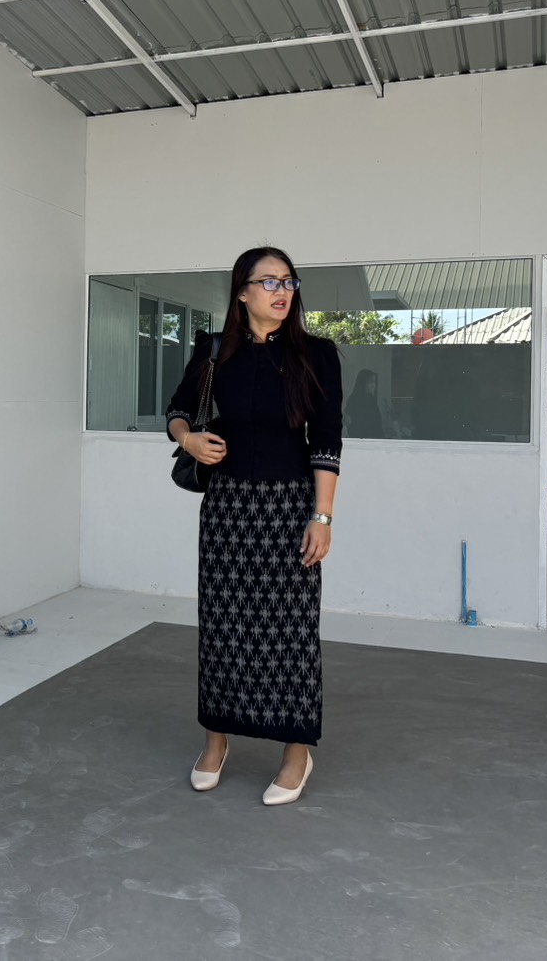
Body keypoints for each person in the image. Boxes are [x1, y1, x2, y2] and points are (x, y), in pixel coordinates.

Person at [167, 247, 342, 806]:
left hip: (290, 508)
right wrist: (189, 439)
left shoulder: (317, 354)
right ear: (242, 292)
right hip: (228, 510)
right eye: (268, 282)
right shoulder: (214, 351)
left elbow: (328, 442)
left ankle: (297, 751)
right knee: (222, 626)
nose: (281, 291)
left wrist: (322, 517)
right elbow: (177, 410)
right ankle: (216, 740)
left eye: (288, 281)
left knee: (291, 631)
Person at [346, 368, 385, 438]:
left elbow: (377, 422)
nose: (374, 385)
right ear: (363, 383)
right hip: (362, 440)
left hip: (375, 439)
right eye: (370, 382)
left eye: (374, 382)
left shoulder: (371, 400)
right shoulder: (353, 401)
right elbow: (353, 424)